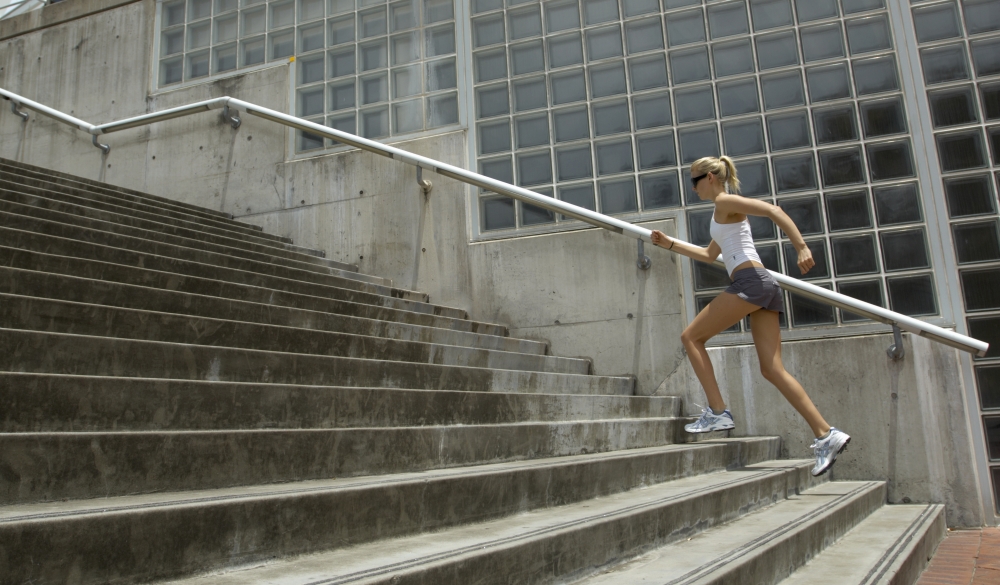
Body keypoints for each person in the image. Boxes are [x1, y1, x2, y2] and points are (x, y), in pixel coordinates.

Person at [650, 155, 851, 477]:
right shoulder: (721, 213)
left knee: (691, 337)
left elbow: (773, 210)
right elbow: (708, 254)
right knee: (772, 369)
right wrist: (669, 243)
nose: (692, 188)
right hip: (763, 286)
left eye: (694, 181)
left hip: (751, 283)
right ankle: (826, 434)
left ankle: (717, 411)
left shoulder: (726, 200)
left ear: (711, 178)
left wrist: (800, 246)